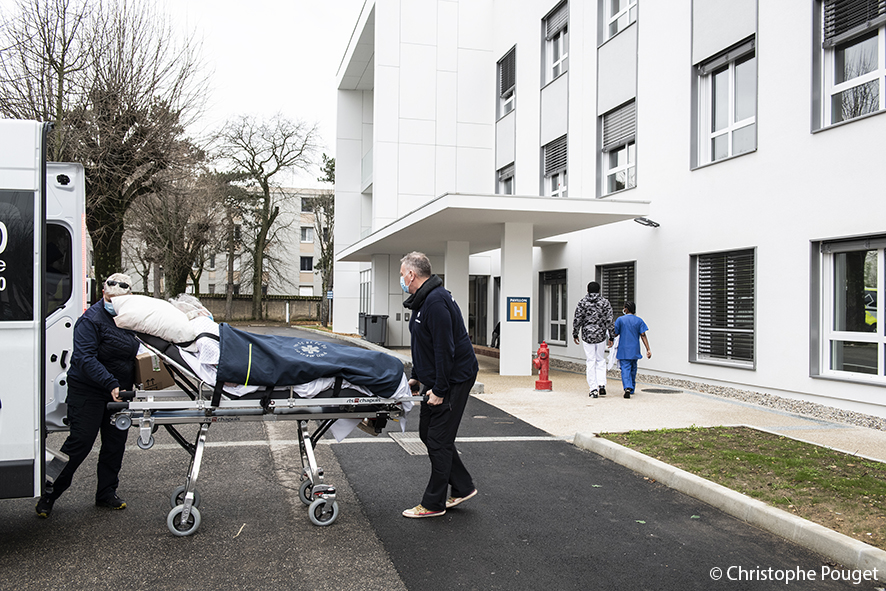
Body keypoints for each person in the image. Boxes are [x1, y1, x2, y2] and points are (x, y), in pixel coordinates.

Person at [36, 273, 140, 518]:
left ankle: (106, 493)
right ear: (103, 293)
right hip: (89, 391)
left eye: (119, 299)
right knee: (79, 444)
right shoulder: (90, 320)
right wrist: (110, 383)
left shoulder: (130, 320)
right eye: (109, 296)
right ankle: (48, 494)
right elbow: (84, 358)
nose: (112, 302)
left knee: (114, 444)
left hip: (118, 393)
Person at [399, 251, 479, 518]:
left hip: (455, 378)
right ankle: (463, 486)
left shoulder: (435, 302)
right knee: (426, 433)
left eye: (402, 275)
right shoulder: (423, 301)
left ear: (411, 274)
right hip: (437, 378)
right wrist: (418, 377)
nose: (402, 280)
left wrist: (441, 390)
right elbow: (425, 346)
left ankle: (433, 503)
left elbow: (446, 349)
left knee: (438, 439)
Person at [572, 282, 615, 398]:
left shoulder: (582, 303)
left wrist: (575, 333)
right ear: (599, 290)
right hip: (600, 335)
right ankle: (601, 384)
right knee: (600, 360)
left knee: (591, 360)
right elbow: (610, 320)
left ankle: (593, 388)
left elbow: (577, 319)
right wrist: (611, 336)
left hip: (587, 335)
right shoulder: (605, 302)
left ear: (587, 290)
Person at [612, 301, 651, 399]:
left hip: (624, 349)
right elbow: (643, 335)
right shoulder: (639, 320)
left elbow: (615, 333)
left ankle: (627, 387)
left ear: (626, 309)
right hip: (635, 349)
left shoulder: (620, 320)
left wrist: (610, 339)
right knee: (633, 369)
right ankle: (632, 387)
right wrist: (648, 349)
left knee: (625, 369)